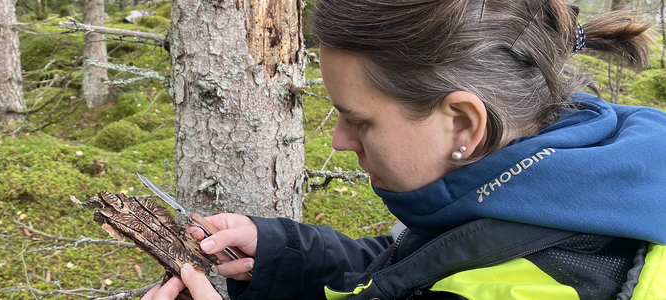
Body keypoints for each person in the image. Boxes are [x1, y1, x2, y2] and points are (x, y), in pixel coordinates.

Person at [143, 0, 666, 299]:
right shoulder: (569, 183)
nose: (339, 141)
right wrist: (289, 255)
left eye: (359, 121)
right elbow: (419, 266)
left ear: (462, 124)